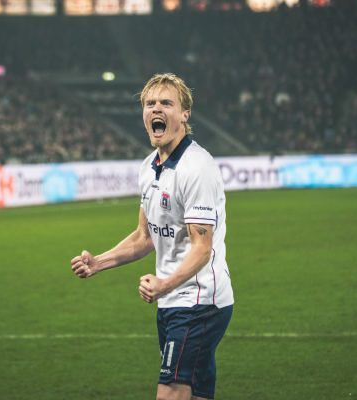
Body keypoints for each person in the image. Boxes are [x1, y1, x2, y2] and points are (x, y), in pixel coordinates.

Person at [71, 73, 234, 400]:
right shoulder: (149, 167)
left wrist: (165, 285)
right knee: (196, 394)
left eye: (166, 103)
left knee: (169, 393)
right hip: (171, 300)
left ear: (185, 114)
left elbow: (202, 248)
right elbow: (144, 237)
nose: (156, 108)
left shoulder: (196, 168)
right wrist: (99, 262)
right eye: (150, 103)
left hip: (198, 301)